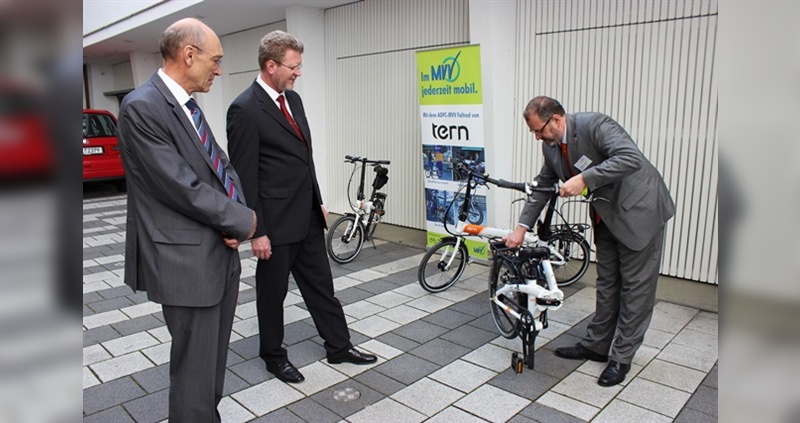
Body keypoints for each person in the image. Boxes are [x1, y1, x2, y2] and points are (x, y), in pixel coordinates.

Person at [116, 18, 257, 421]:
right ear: (188, 54)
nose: (219, 69)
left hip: (216, 251)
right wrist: (243, 222)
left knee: (210, 371)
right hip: (186, 264)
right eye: (215, 60)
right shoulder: (143, 106)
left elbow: (221, 167)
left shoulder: (186, 106)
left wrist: (235, 219)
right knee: (194, 376)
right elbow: (180, 186)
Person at [226, 30, 376, 384]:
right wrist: (256, 230)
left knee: (322, 285)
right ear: (271, 65)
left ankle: (339, 347)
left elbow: (304, 157)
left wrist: (318, 200)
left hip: (306, 214)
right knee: (272, 294)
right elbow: (244, 176)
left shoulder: (293, 100)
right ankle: (273, 356)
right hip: (274, 225)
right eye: (293, 67)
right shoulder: (244, 109)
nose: (298, 73)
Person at [504, 96, 675, 387]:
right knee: (607, 283)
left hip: (639, 212)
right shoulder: (552, 148)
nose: (537, 137)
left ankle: (621, 357)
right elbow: (544, 186)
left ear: (556, 120)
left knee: (635, 289)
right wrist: (521, 228)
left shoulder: (595, 124)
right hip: (606, 216)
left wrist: (584, 178)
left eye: (539, 130)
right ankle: (596, 345)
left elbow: (630, 158)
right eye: (533, 132)